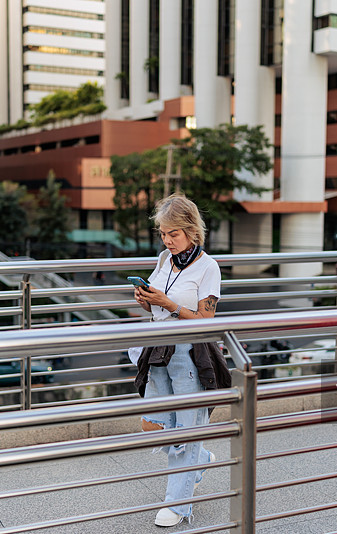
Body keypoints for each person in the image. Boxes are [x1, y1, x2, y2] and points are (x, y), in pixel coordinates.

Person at [132, 194, 230, 527]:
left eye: (173, 233)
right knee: (155, 425)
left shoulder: (208, 267)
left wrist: (169, 303)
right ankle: (200, 459)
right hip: (157, 352)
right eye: (163, 233)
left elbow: (206, 319)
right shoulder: (163, 259)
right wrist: (148, 301)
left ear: (191, 230)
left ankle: (178, 505)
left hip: (189, 354)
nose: (167, 240)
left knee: (186, 431)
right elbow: (158, 305)